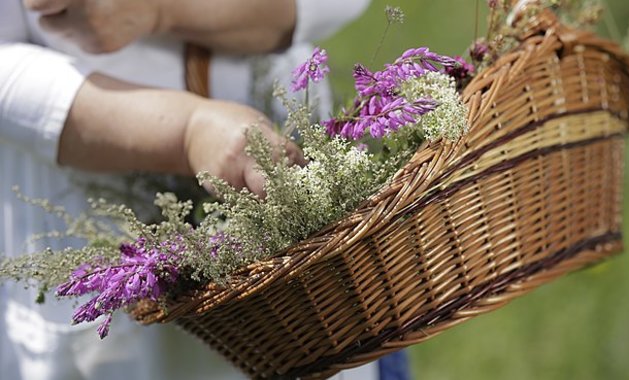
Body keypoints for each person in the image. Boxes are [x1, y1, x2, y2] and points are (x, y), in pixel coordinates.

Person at [0, 1, 414, 379]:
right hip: (96, 177)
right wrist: (186, 131)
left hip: (289, 151)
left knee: (334, 337)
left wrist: (159, 9)